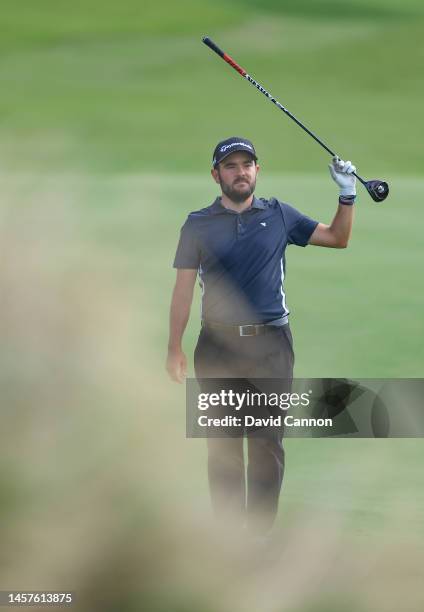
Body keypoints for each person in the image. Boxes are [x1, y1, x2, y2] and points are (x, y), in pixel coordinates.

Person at [166, 136, 356, 535]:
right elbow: (183, 289)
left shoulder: (279, 215)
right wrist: (174, 348)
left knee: (268, 445)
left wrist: (347, 193)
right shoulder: (197, 224)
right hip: (216, 346)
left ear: (257, 170)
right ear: (216, 174)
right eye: (231, 166)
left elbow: (338, 239)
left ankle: (259, 537)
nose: (240, 172)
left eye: (246, 165)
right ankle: (228, 536)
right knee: (223, 448)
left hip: (271, 346)